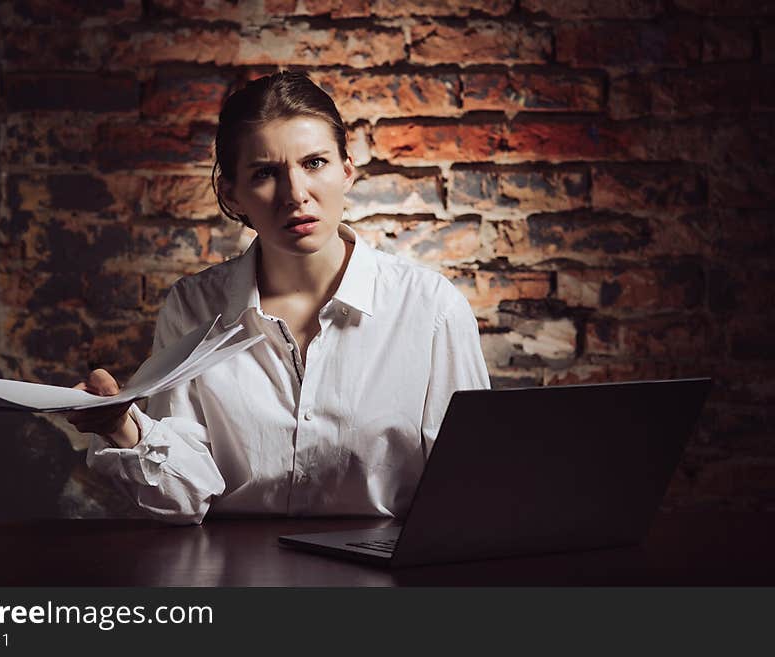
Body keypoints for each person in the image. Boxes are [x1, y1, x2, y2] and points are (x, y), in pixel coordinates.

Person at [66, 71, 490, 524]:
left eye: (314, 163)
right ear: (232, 192)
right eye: (266, 173)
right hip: (234, 573)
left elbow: (472, 486)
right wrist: (122, 429)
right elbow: (184, 499)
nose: (295, 195)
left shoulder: (430, 308)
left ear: (346, 171)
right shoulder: (192, 307)